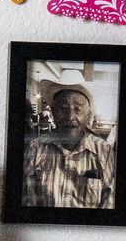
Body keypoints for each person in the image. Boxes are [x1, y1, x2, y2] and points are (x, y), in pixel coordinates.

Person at [21, 77, 117, 209]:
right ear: (52, 113)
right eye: (63, 108)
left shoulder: (103, 150)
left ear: (88, 116)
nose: (70, 116)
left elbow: (110, 202)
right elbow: (28, 202)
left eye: (78, 109)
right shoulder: (35, 148)